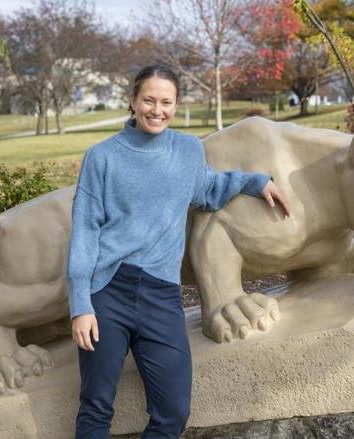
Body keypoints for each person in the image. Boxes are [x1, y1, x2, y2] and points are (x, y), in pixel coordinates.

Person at [68, 64, 291, 438]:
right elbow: (85, 232)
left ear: (176, 105)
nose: (158, 110)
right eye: (149, 100)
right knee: (96, 407)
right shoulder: (101, 158)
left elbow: (209, 188)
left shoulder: (188, 150)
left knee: (173, 412)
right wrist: (81, 305)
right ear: (133, 101)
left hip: (161, 295)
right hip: (107, 291)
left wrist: (257, 181)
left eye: (166, 102)